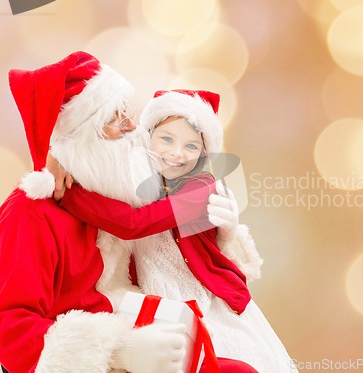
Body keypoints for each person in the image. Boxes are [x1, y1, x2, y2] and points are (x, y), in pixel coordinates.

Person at [0, 52, 258, 372]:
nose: (132, 126)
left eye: (129, 111)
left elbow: (137, 225)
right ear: (80, 134)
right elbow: (9, 331)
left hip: (169, 318)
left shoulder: (117, 192)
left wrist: (229, 234)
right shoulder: (30, 214)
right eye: (114, 117)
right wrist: (118, 352)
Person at [58, 90, 298, 372]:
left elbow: (134, 224)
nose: (176, 154)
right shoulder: (133, 176)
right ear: (148, 136)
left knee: (234, 362)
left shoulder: (201, 188)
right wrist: (63, 160)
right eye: (167, 139)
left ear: (204, 154)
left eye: (191, 147)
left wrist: (69, 194)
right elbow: (101, 159)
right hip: (157, 299)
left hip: (208, 301)